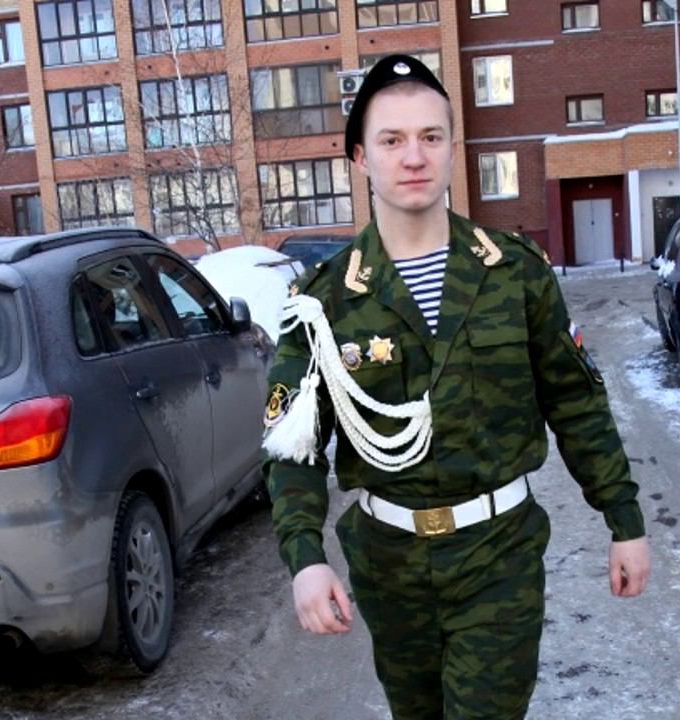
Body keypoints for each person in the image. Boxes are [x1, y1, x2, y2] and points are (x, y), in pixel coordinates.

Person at [262, 54, 650, 720]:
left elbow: (575, 401)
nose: (414, 156)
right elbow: (291, 446)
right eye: (392, 140)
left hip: (498, 554)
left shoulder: (514, 272)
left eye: (430, 137)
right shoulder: (324, 300)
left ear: (451, 148)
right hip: (389, 564)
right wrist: (305, 557)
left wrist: (624, 519)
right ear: (361, 157)